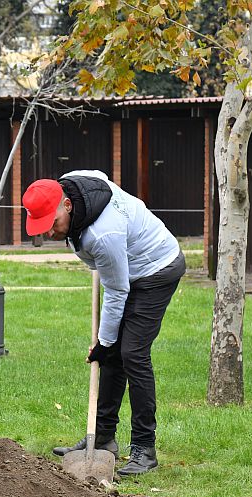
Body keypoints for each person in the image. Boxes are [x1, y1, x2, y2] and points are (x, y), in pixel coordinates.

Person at [22, 170, 185, 476]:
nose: (49, 234)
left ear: (68, 205)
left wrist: (103, 342)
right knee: (113, 357)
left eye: (52, 224)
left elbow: (118, 290)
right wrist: (106, 346)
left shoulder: (102, 235)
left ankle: (144, 449)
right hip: (125, 267)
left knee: (132, 354)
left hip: (155, 270)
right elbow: (98, 175)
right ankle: (103, 439)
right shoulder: (71, 183)